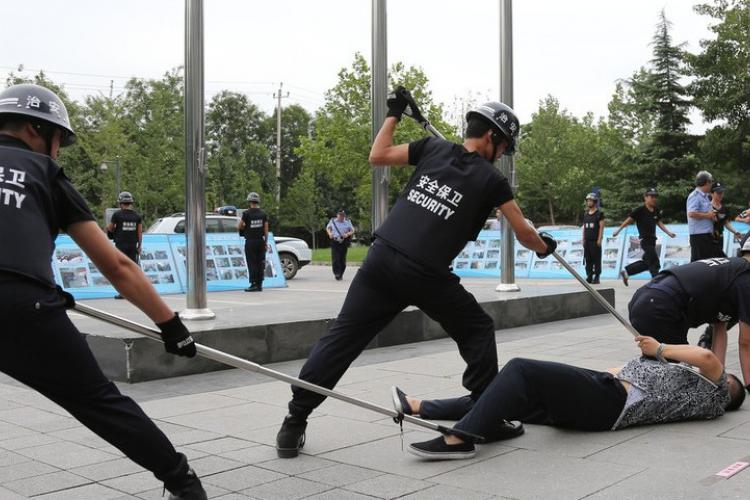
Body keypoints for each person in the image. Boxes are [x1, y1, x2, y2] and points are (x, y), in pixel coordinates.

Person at [273, 89, 558, 459]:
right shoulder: (491, 180)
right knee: (478, 330)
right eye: (504, 148)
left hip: (380, 259)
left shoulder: (433, 149)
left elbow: (378, 155)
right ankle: (485, 414)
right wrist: (544, 246)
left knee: (341, 340)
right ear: (491, 137)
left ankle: (293, 422)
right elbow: (524, 233)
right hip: (424, 272)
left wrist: (392, 113)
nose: (502, 156)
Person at [0, 83, 206, 499]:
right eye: (59, 140)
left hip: (26, 297)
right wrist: (170, 324)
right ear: (35, 130)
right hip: (24, 308)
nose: (58, 152)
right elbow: (116, 265)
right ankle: (183, 484)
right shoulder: (45, 173)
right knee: (99, 402)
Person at [395, 336, 745, 460]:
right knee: (509, 393)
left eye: (723, 379)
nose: (709, 373)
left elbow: (709, 359)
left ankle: (460, 440)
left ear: (726, 389)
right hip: (604, 393)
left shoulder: (712, 397)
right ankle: (420, 406)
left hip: (609, 402)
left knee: (521, 370)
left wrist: (661, 349)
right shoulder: (694, 391)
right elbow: (708, 355)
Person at [626, 249, 750, 394]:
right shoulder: (746, 279)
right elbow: (745, 342)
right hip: (661, 306)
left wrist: (718, 374)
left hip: (647, 298)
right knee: (673, 382)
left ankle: (626, 389)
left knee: (662, 372)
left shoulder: (730, 270)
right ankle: (626, 393)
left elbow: (720, 327)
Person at [612, 188, 675, 286]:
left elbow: (659, 222)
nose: (654, 199)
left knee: (647, 263)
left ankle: (627, 271)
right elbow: (628, 220)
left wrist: (668, 233)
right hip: (645, 240)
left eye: (655, 197)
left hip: (652, 240)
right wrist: (618, 230)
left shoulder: (656, 210)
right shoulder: (640, 210)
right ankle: (657, 283)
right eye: (651, 196)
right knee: (655, 262)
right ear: (645, 197)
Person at [106, 191, 142, 299]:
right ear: (130, 202)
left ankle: (123, 293)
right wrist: (139, 246)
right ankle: (135, 292)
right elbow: (139, 233)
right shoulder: (137, 216)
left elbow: (110, 228)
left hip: (120, 246)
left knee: (121, 269)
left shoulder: (117, 215)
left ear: (120, 203)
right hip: (132, 246)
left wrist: (110, 229)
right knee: (132, 269)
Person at [238, 191, 268, 292]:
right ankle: (260, 284)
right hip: (260, 241)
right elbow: (266, 230)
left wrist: (245, 226)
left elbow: (240, 226)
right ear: (258, 201)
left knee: (252, 263)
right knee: (260, 263)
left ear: (249, 201)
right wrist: (265, 243)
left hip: (250, 242)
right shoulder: (263, 214)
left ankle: (253, 284)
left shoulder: (246, 213)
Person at [687, 170, 718, 261]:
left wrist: (712, 215)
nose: (712, 184)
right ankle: (689, 275)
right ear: (706, 182)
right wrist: (708, 215)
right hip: (699, 236)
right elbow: (691, 213)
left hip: (706, 235)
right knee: (698, 264)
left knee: (707, 262)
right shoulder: (695, 196)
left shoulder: (705, 196)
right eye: (711, 181)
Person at [582, 192, 605, 284]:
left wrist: (600, 239)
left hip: (595, 241)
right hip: (587, 240)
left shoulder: (599, 214)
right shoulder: (586, 214)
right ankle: (589, 275)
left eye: (590, 200)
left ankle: (597, 276)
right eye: (587, 201)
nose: (588, 202)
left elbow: (601, 227)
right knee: (588, 259)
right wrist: (583, 239)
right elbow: (584, 227)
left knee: (596, 259)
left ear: (595, 202)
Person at [326, 209, 355, 280]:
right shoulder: (332, 221)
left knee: (342, 259)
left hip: (343, 241)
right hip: (335, 241)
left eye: (343, 216)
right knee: (335, 258)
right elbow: (328, 228)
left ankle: (341, 273)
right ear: (337, 215)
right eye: (340, 215)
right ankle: (337, 273)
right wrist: (330, 234)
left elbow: (352, 230)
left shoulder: (347, 221)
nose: (342, 217)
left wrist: (347, 234)